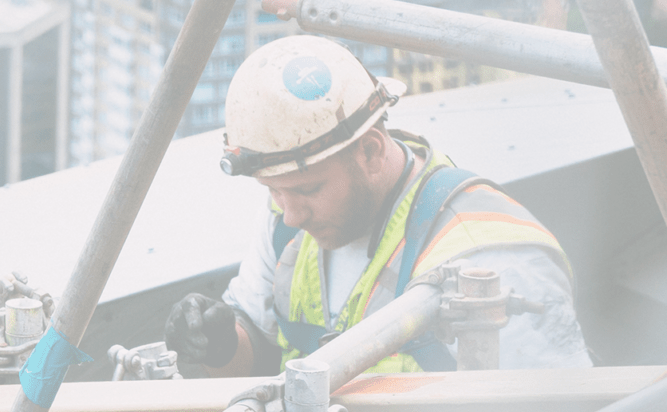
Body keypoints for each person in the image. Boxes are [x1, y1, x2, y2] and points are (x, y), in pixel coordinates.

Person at [162, 36, 592, 377]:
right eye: (274, 191)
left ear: (369, 152)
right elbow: (258, 351)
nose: (290, 213)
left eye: (308, 190)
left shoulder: (489, 255)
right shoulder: (287, 216)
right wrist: (220, 345)